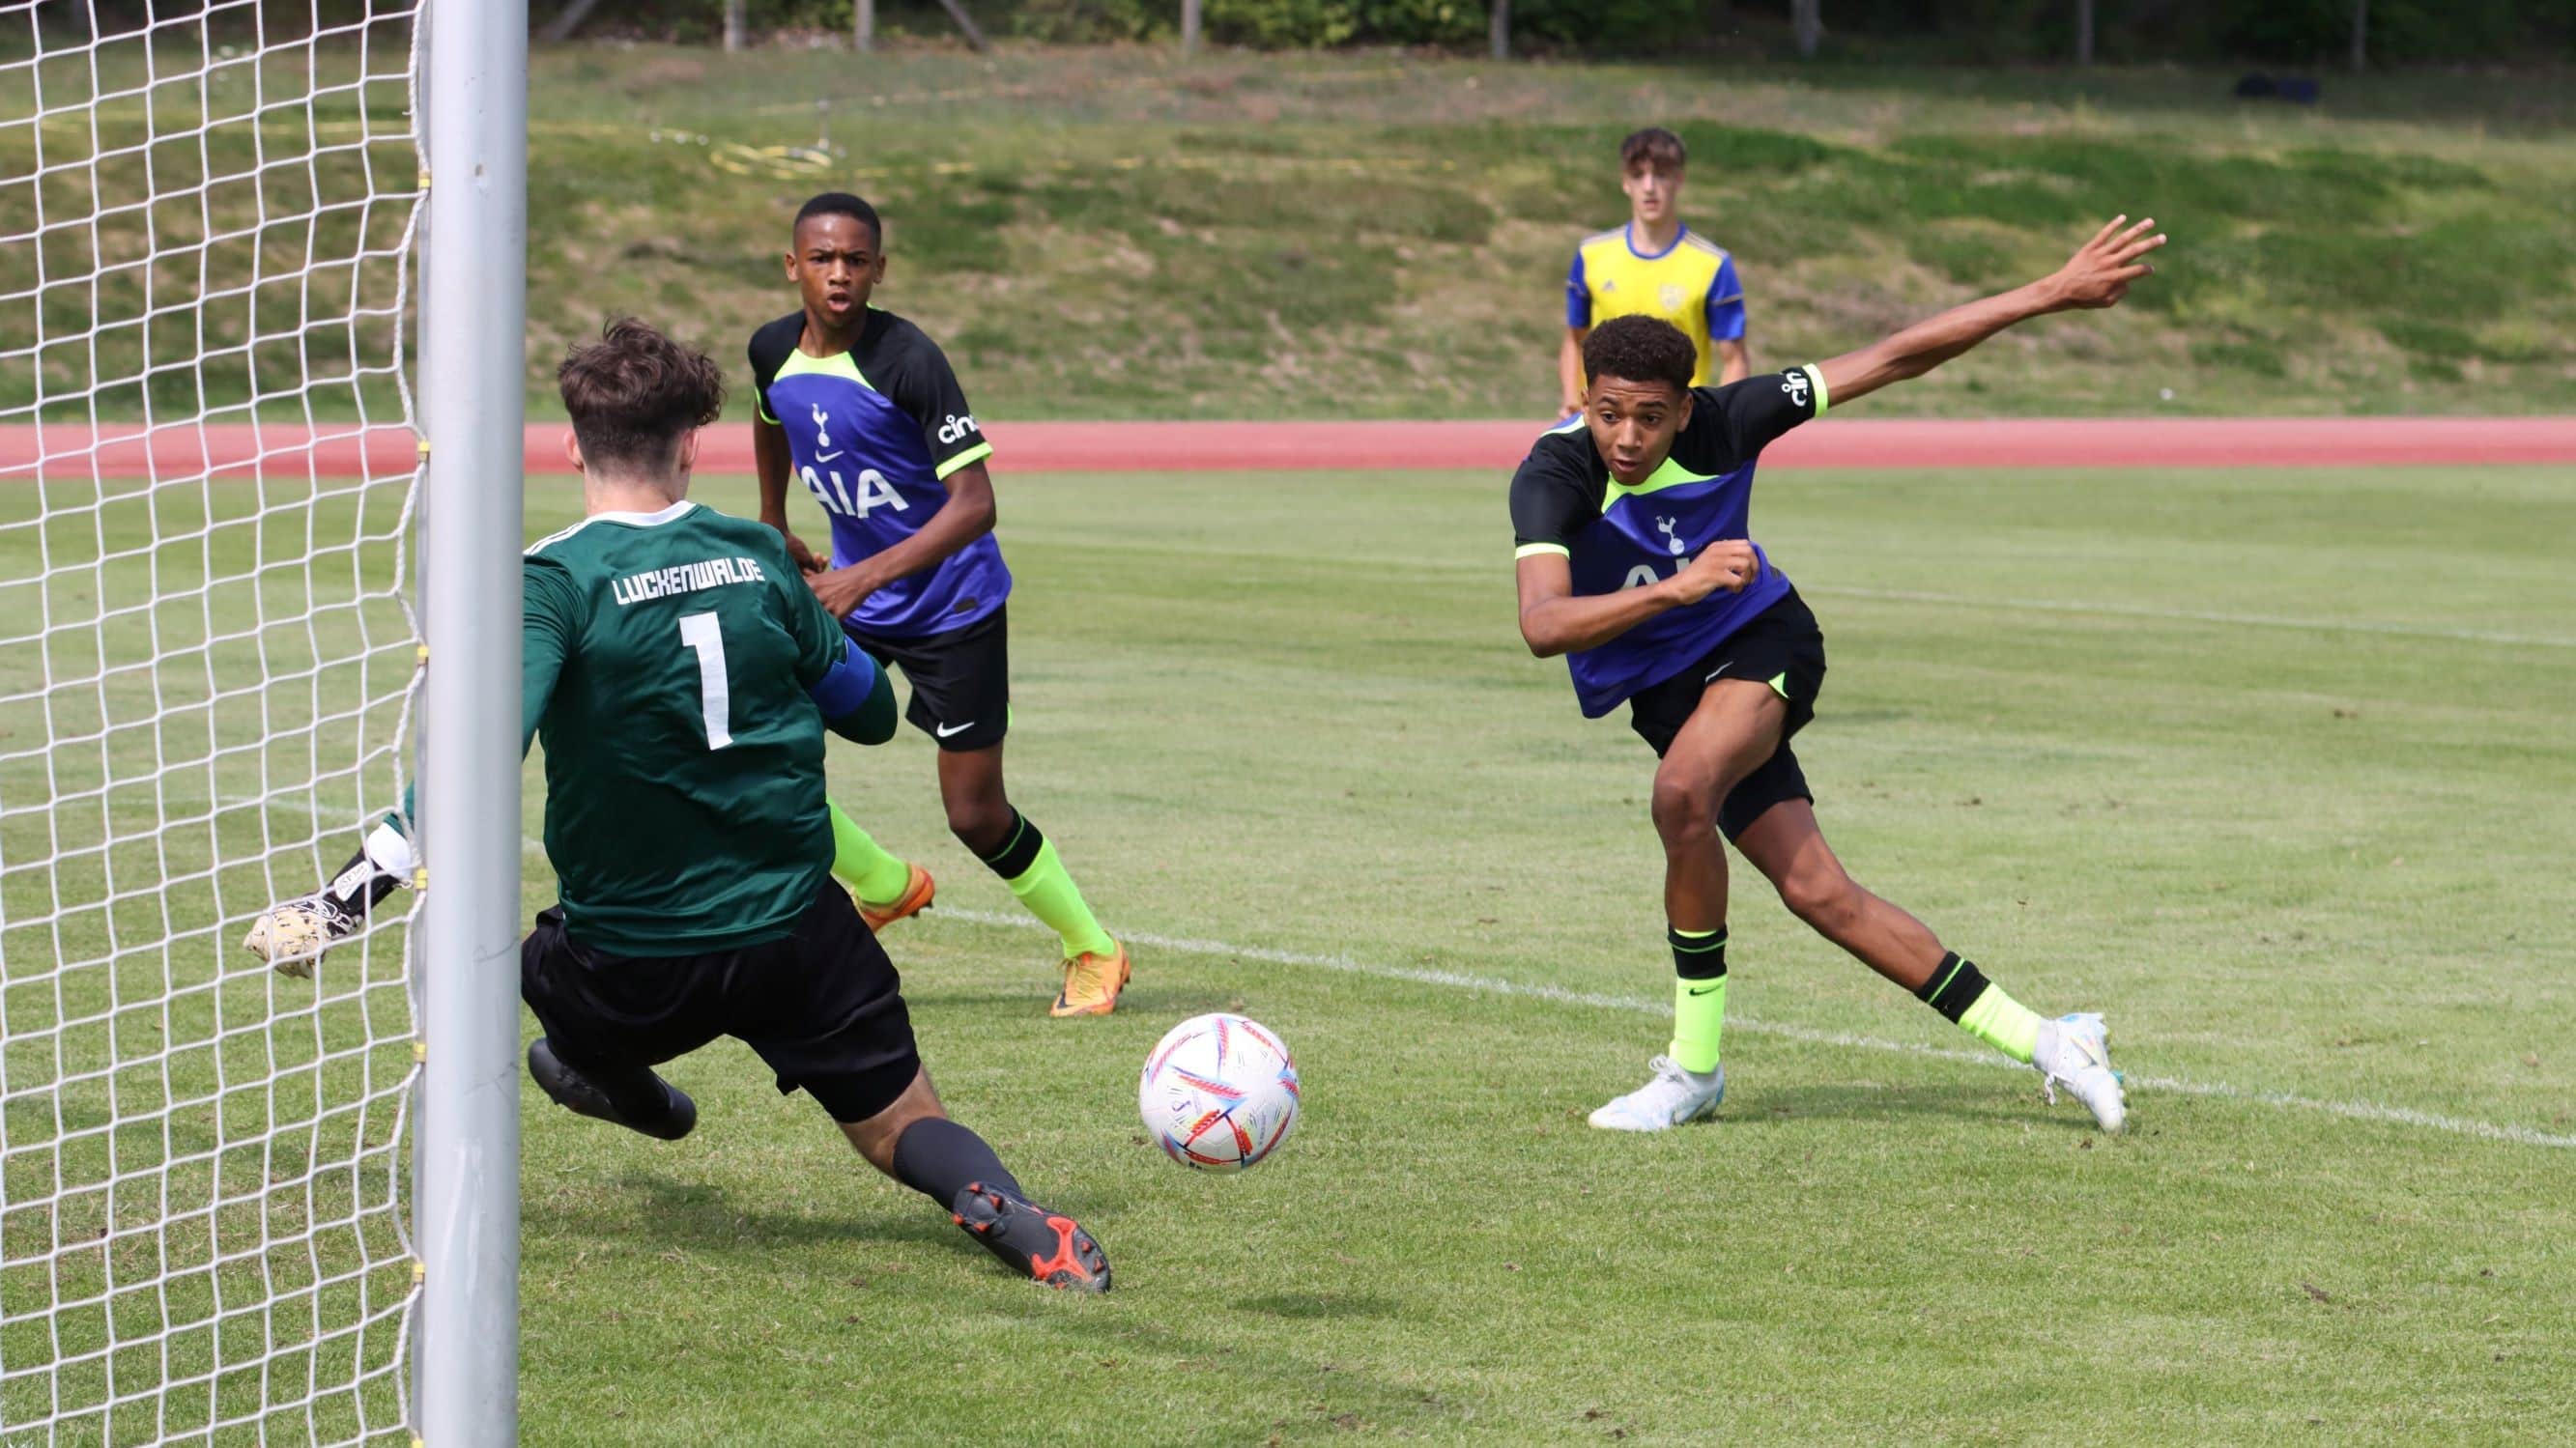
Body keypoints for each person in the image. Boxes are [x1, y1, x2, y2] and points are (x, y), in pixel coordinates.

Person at [243, 319, 1109, 1291]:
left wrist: (341, 901)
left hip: (633, 960)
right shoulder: (759, 555)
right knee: (904, 1127)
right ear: (691, 443)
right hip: (799, 932)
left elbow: (474, 765)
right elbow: (870, 714)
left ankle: (643, 1100)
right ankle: (1013, 1214)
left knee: (528, 969)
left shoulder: (551, 583)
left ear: (571, 443)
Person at [1511, 216, 2169, 1134]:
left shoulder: (1732, 419)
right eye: (1607, 411)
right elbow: (1543, 626)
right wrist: (1685, 586)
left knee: (1681, 792)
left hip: (1762, 640)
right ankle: (2056, 1039)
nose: (1626, 436)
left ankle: (1693, 1069)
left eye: (1650, 416)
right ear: (1583, 398)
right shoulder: (1555, 471)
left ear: (1688, 407)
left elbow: (1894, 356)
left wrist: (2050, 291)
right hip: (1669, 687)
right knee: (1820, 893)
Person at [748, 191, 1130, 1019]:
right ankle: (882, 883)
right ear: (792, 266)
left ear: (880, 269)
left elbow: (975, 504)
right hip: (861, 599)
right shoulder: (772, 349)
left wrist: (859, 578)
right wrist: (774, 522)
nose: (839, 274)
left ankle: (1093, 947)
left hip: (954, 609)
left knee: (974, 813)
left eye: (857, 260)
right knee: (756, 749)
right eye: (822, 258)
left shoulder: (909, 359)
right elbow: (770, 414)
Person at [1559, 128, 1750, 420]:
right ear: (1625, 183)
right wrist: (1573, 406)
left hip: (1679, 427)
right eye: (1638, 175)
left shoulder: (1712, 264)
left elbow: (1734, 358)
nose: (1649, 187)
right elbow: (1574, 340)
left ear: (1679, 180)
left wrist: (1719, 424)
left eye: (1660, 174)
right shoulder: (1591, 256)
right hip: (1604, 423)